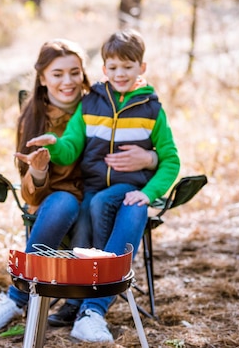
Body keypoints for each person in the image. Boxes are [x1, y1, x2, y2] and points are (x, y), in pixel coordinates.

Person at [0, 39, 157, 336]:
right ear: (43, 78)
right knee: (65, 202)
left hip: (104, 195)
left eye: (74, 72)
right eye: (57, 74)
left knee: (131, 206)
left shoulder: (104, 100)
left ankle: (91, 312)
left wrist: (150, 157)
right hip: (58, 201)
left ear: (86, 74)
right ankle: (16, 297)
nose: (68, 81)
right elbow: (31, 193)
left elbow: (148, 127)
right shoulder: (34, 117)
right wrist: (38, 170)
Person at [26, 29, 180, 342]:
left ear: (142, 68)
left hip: (131, 190)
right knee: (88, 209)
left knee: (118, 206)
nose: (120, 74)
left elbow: (171, 161)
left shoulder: (152, 110)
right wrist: (53, 145)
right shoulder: (91, 103)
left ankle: (92, 309)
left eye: (128, 66)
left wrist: (149, 193)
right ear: (103, 69)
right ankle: (79, 302)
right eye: (113, 67)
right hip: (93, 190)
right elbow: (71, 146)